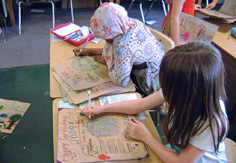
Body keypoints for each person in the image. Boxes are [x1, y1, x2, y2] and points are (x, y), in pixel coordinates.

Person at [81, 42, 229, 162]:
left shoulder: (211, 120)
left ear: (187, 91)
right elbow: (140, 105)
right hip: (176, 149)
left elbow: (181, 162)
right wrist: (101, 109)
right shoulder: (182, 89)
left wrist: (146, 137)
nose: (163, 90)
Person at [74, 2, 165, 96]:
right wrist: (90, 51)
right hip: (161, 65)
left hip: (151, 82)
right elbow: (118, 52)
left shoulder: (122, 45)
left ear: (111, 34)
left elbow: (121, 80)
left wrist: (106, 63)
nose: (104, 40)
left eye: (104, 37)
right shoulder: (128, 23)